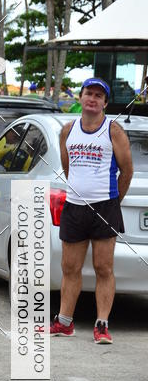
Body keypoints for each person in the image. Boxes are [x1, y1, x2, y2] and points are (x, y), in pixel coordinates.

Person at [50, 77, 133, 344]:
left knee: (103, 268)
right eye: (89, 93)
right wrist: (80, 190)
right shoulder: (68, 130)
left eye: (99, 96)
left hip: (105, 207)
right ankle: (64, 322)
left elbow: (127, 170)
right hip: (74, 206)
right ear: (81, 97)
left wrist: (112, 200)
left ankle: (102, 325)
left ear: (105, 103)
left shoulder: (114, 130)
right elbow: (67, 167)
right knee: (70, 267)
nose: (92, 99)